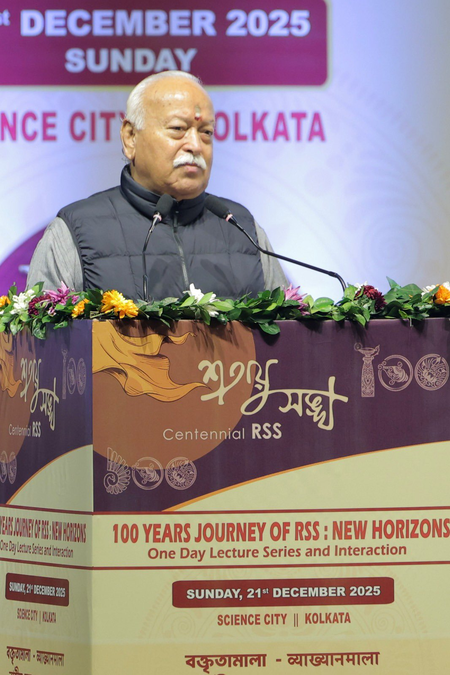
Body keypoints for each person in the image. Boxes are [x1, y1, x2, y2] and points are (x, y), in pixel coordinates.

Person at [27, 71, 287, 299]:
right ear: (130, 137)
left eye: (206, 132)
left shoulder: (243, 229)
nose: (195, 145)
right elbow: (39, 337)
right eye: (178, 128)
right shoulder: (75, 231)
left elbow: (286, 332)